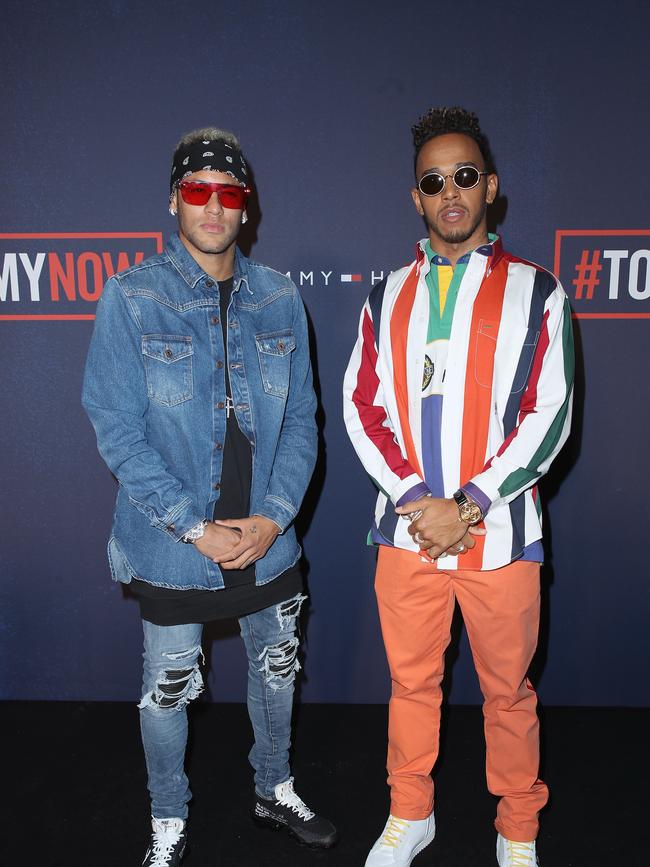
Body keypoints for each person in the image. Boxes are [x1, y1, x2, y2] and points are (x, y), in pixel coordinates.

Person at [82, 126, 337, 866]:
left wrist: (271, 517)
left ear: (246, 207)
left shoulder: (282, 297)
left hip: (268, 538)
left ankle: (273, 785)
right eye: (199, 190)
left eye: (229, 193)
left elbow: (301, 422)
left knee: (278, 666)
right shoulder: (131, 297)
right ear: (174, 200)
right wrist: (196, 527)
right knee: (166, 689)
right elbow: (118, 430)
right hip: (173, 546)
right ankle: (168, 818)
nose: (214, 205)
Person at [343, 106, 574, 867]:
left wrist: (470, 503)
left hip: (501, 537)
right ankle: (411, 812)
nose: (451, 191)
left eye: (465, 176)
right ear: (416, 196)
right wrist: (417, 501)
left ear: (492, 188)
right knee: (411, 688)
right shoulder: (386, 294)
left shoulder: (539, 292)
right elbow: (361, 404)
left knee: (508, 694)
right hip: (407, 536)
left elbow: (550, 413)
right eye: (434, 179)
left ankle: (517, 825)